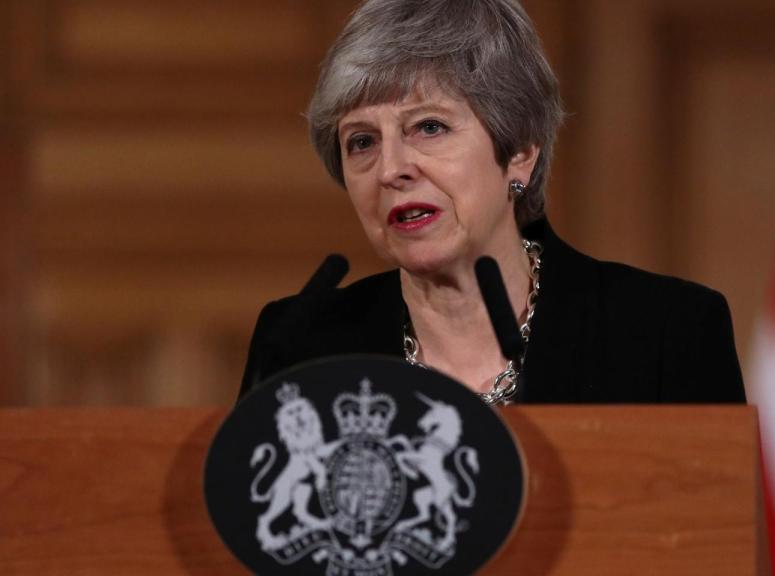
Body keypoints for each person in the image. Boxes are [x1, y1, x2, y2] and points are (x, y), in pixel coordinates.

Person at [239, 0, 745, 405]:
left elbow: (713, 530)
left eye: (429, 127)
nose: (391, 169)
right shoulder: (300, 348)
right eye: (362, 142)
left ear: (520, 153)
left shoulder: (667, 334)